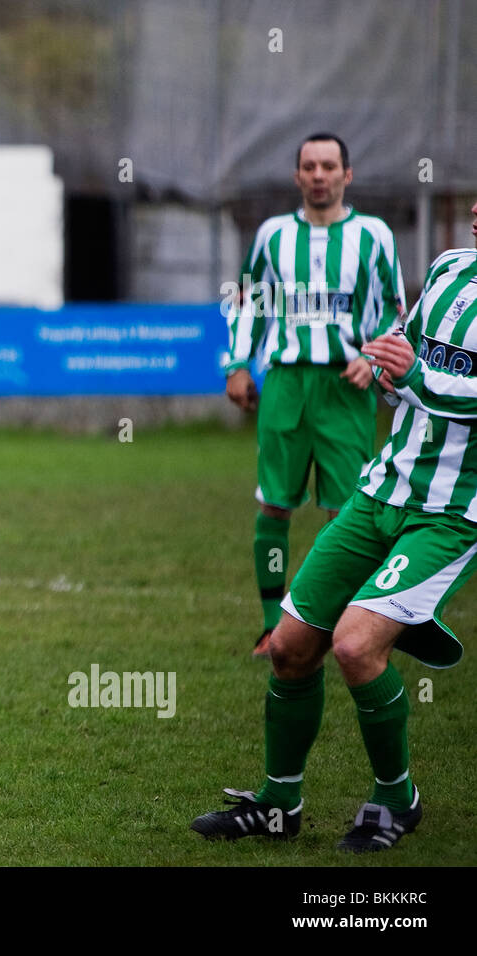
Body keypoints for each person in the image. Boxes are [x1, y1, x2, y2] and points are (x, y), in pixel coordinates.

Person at [192, 210, 477, 852]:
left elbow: (434, 383)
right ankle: (278, 803)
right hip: (380, 490)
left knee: (353, 647)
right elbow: (398, 350)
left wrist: (411, 378)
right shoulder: (450, 268)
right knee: (292, 648)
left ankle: (396, 799)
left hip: (451, 513)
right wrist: (383, 367)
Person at [224, 132, 405, 657]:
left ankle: (331, 625)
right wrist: (237, 364)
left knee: (345, 512)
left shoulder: (373, 235)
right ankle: (268, 624)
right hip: (285, 382)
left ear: (347, 175)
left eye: (329, 166)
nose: (319, 175)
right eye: (309, 166)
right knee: (274, 504)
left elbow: (397, 311)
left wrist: (375, 359)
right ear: (297, 176)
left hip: (344, 387)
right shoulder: (272, 235)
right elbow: (249, 301)